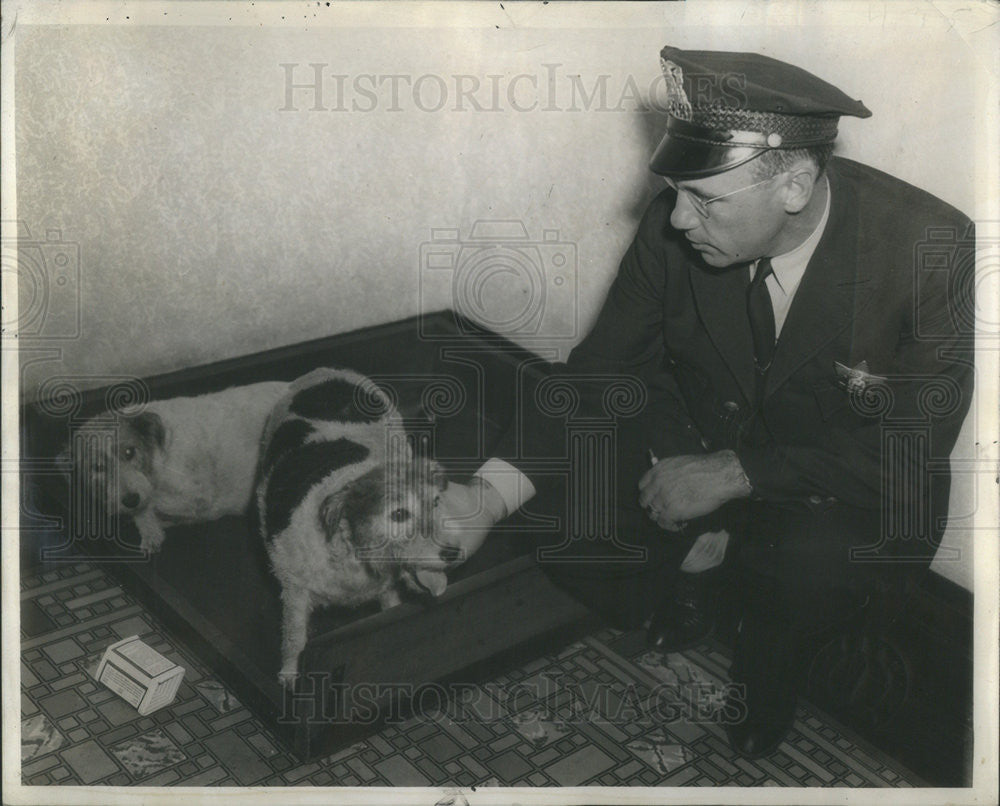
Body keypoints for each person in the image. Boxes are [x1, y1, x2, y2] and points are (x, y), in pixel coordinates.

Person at [436, 46, 974, 758]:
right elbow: (599, 372)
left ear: (795, 185)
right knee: (553, 486)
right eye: (678, 192)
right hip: (702, 434)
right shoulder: (677, 219)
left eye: (706, 200)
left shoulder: (931, 252)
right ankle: (694, 572)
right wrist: (482, 499)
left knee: (807, 570)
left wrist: (733, 473)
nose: (678, 219)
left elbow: (902, 461)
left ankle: (769, 671)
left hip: (840, 491)